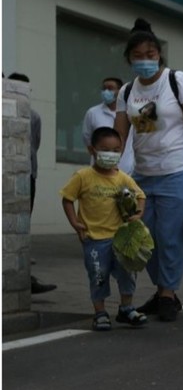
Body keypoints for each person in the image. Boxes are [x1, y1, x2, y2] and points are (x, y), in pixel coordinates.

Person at [113, 18, 183, 322]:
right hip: (142, 174)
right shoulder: (127, 91)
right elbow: (119, 135)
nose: (145, 60)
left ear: (159, 55)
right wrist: (110, 169)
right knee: (145, 238)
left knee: (170, 236)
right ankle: (163, 290)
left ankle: (167, 294)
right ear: (129, 59)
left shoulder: (176, 80)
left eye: (150, 54)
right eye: (138, 56)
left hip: (177, 170)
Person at [60, 126, 148, 331]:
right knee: (98, 275)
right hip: (94, 240)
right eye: (106, 150)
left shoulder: (123, 178)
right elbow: (67, 199)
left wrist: (138, 213)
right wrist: (75, 222)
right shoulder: (82, 176)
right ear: (92, 150)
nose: (111, 154)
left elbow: (141, 196)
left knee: (127, 272)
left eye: (116, 150)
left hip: (121, 239)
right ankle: (100, 312)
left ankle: (126, 308)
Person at [8, 72, 57, 295]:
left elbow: (33, 145)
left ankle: (23, 278)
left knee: (20, 228)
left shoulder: (33, 116)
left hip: (24, 175)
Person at [82, 77, 135, 174]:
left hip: (126, 170)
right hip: (100, 171)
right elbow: (88, 140)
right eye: (104, 88)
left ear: (120, 91)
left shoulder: (130, 113)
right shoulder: (93, 113)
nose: (106, 92)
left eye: (110, 88)